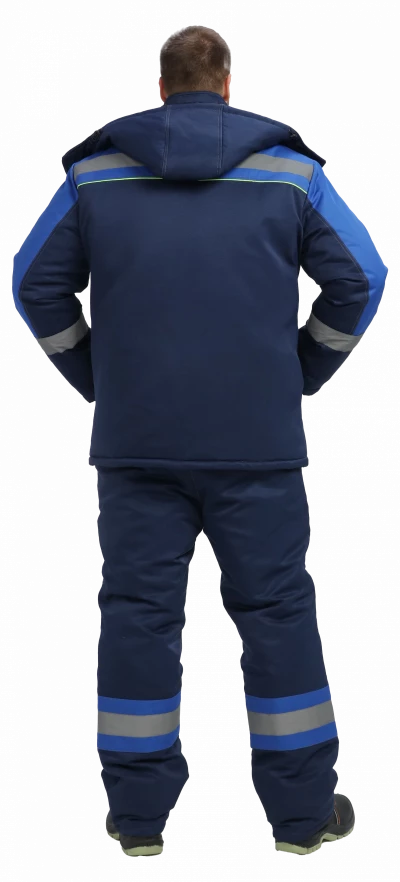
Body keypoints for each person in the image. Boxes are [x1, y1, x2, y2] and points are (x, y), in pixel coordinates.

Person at [12, 24, 388, 859]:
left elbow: (31, 284)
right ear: (226, 87)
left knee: (137, 616)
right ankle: (302, 820)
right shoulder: (290, 172)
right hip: (257, 443)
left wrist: (96, 380)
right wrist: (302, 372)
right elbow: (362, 277)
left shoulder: (94, 174)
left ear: (160, 88)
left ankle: (138, 821)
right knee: (278, 613)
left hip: (137, 442)